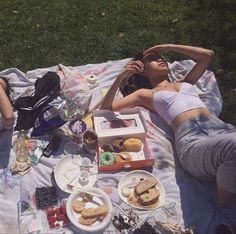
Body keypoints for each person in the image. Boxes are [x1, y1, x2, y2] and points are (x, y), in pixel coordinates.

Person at [100, 44, 236, 205]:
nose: (159, 59)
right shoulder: (147, 94)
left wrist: (168, 46)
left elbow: (207, 55)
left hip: (220, 130)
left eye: (160, 56)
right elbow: (105, 108)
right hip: (193, 143)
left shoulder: (186, 82)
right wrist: (120, 77)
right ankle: (226, 209)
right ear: (143, 71)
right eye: (151, 58)